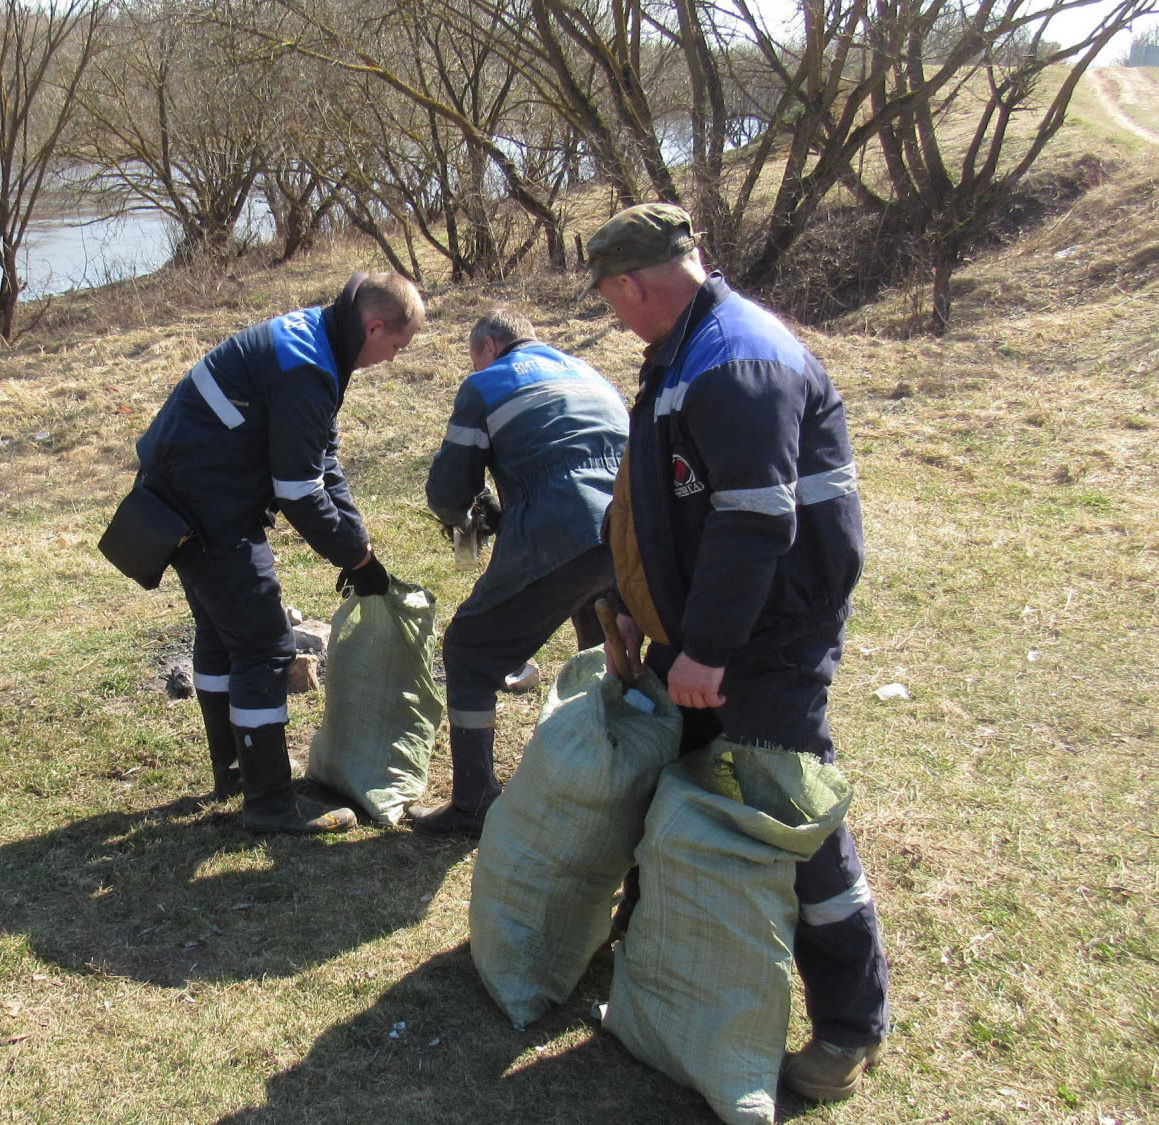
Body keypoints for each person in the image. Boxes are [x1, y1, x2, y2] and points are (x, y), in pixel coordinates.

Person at [584, 203, 890, 1103]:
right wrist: (638, 606)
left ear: (633, 283)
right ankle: (653, 955)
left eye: (609, 298)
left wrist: (710, 651)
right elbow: (658, 504)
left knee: (787, 815)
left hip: (767, 638)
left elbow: (758, 521)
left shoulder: (735, 360)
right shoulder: (681, 350)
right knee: (677, 789)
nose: (613, 312)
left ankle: (848, 1025)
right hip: (706, 631)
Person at [135, 272, 424, 835]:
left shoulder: (321, 340)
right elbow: (297, 490)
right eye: (395, 346)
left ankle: (238, 769)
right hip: (203, 502)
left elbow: (323, 460)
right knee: (265, 647)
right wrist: (356, 561)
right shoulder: (309, 367)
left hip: (191, 485)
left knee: (224, 634)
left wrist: (357, 545)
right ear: (374, 325)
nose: (392, 358)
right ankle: (268, 803)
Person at [410, 310, 629, 836]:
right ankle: (616, 780)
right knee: (608, 651)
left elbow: (447, 492)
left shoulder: (485, 384)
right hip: (630, 529)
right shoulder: (588, 372)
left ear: (487, 345)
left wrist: (467, 514)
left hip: (562, 526)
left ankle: (475, 802)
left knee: (469, 649)